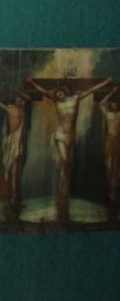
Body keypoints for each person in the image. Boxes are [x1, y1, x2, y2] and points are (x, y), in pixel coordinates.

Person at [29, 77, 111, 223]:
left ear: (65, 92)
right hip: (60, 135)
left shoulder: (75, 99)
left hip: (71, 137)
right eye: (57, 95)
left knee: (69, 165)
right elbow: (44, 91)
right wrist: (32, 83)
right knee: (65, 161)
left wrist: (106, 82)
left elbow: (92, 89)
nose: (58, 96)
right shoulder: (56, 102)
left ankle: (64, 184)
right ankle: (62, 184)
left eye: (60, 93)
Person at [0, 83, 30, 220]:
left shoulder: (23, 110)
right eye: (18, 99)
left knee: (15, 175)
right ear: (15, 100)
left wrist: (19, 91)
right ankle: (10, 203)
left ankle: (15, 202)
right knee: (9, 171)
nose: (19, 101)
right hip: (11, 141)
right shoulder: (10, 108)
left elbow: (28, 98)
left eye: (21, 100)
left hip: (19, 143)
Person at [98, 86, 120, 211]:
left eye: (115, 104)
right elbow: (101, 103)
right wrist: (112, 91)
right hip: (109, 141)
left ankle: (114, 192)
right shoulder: (108, 114)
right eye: (112, 104)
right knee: (108, 165)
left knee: (115, 168)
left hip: (118, 142)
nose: (113, 106)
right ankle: (110, 191)